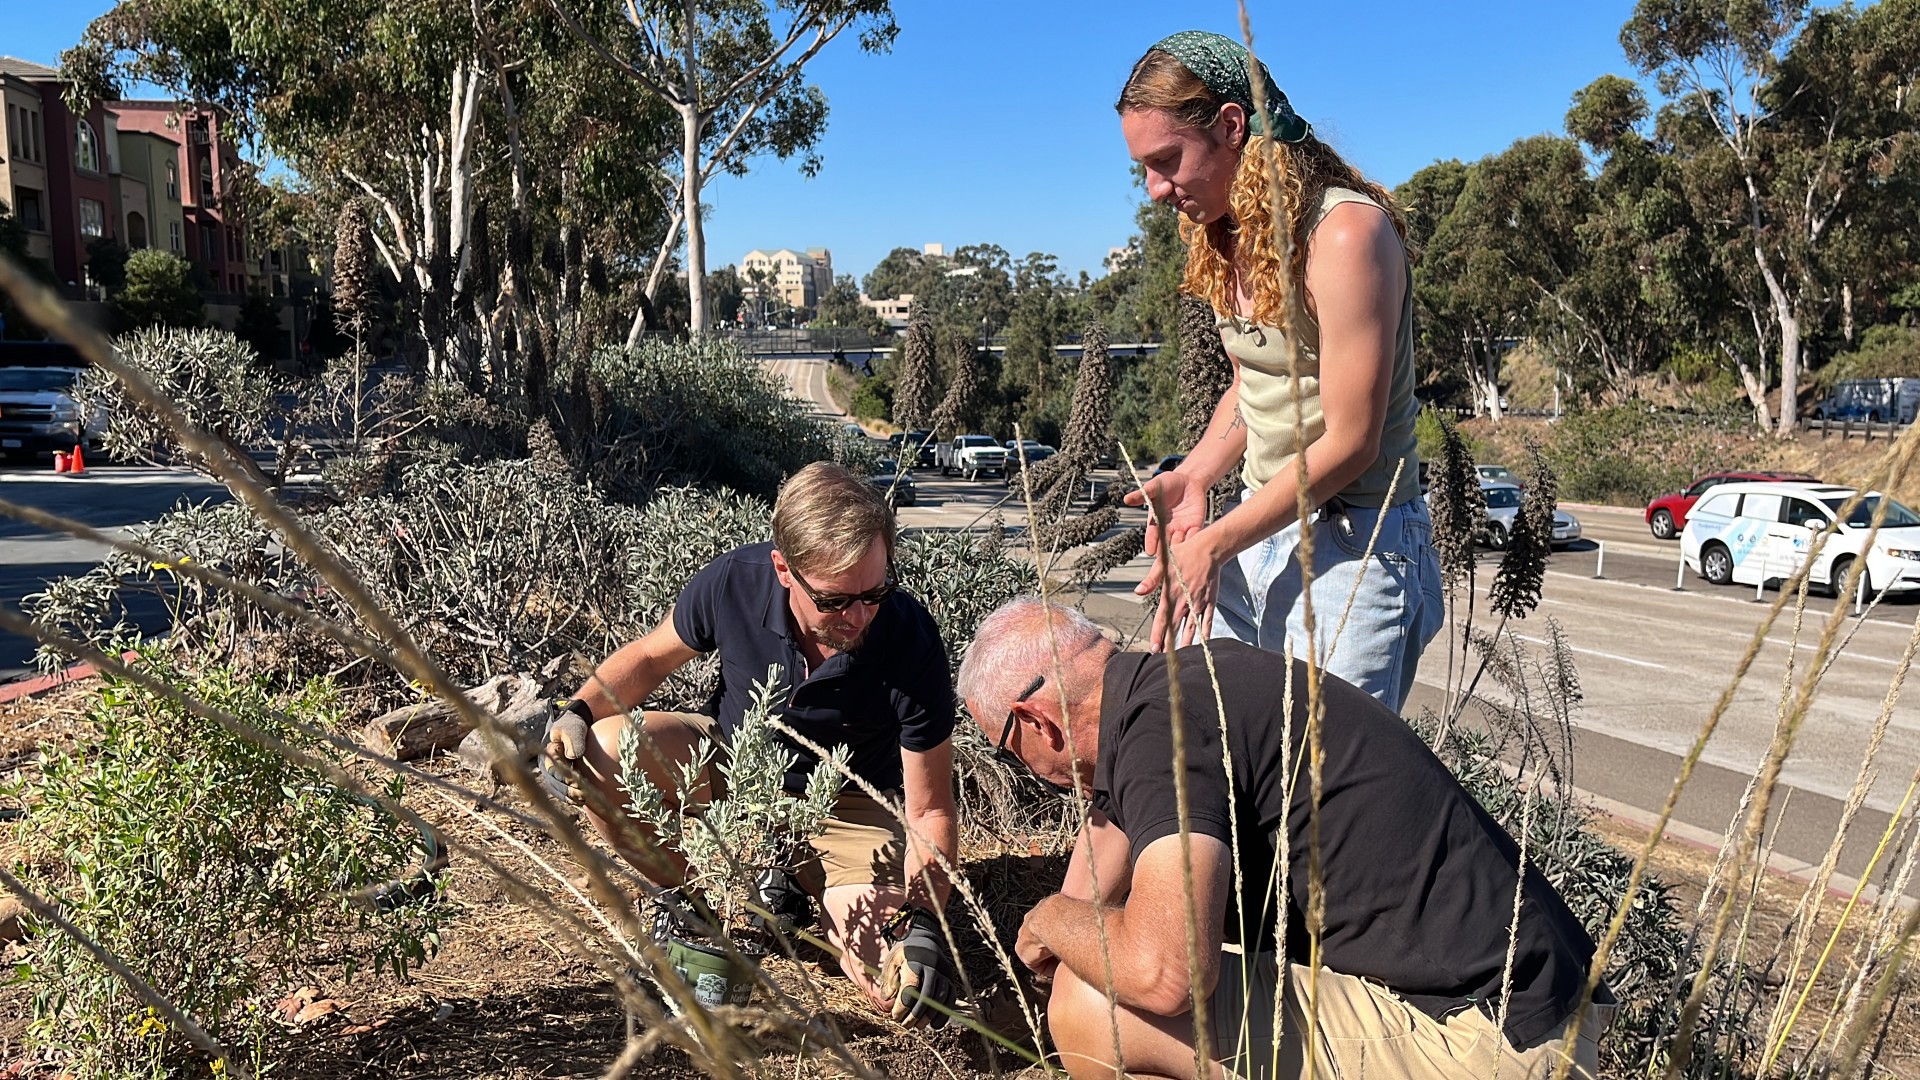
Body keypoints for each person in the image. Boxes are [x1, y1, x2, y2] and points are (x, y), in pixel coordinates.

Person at [956, 597, 1611, 1079]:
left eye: (1009, 755)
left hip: (1487, 1046)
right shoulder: (1188, 685)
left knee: (1091, 999)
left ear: (1037, 723)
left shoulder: (1161, 737)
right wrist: (1072, 924)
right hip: (1537, 1006)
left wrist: (1052, 919)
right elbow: (1113, 832)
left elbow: (1166, 975)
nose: (1031, 774)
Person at [543, 461, 961, 1025]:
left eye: (876, 591)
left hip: (849, 807)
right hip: (736, 767)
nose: (859, 615)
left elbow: (930, 806)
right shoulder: (735, 581)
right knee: (601, 748)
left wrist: (923, 918)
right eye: (835, 601)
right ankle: (692, 909)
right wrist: (577, 710)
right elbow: (647, 657)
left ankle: (796, 885)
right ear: (784, 570)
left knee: (898, 982)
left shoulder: (910, 639)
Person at [1116, 31, 1442, 711]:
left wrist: (1214, 544)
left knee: (1321, 799)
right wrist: (1198, 474)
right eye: (1143, 169)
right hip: (1260, 531)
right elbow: (1252, 386)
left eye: (1167, 160)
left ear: (1232, 125)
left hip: (1359, 549)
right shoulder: (1225, 235)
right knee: (1209, 759)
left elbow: (1355, 442)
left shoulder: (1347, 234)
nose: (1153, 190)